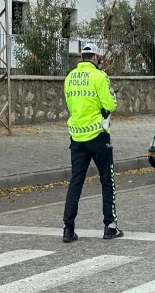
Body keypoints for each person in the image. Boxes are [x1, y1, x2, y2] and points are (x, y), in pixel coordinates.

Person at [62, 43, 123, 243]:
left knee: (75, 182)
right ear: (95, 57)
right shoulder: (100, 76)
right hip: (98, 135)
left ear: (83, 57)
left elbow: (71, 105)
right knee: (107, 180)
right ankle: (110, 226)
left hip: (77, 137)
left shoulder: (70, 77)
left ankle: (68, 229)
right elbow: (111, 104)